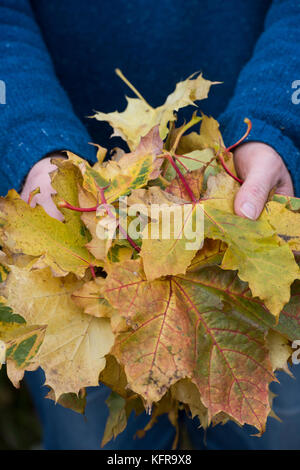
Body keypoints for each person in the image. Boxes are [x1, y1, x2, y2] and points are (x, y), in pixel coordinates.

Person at [0, 0, 299, 449]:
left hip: (254, 210)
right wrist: (31, 140)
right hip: (80, 261)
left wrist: (280, 119)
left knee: (274, 427)